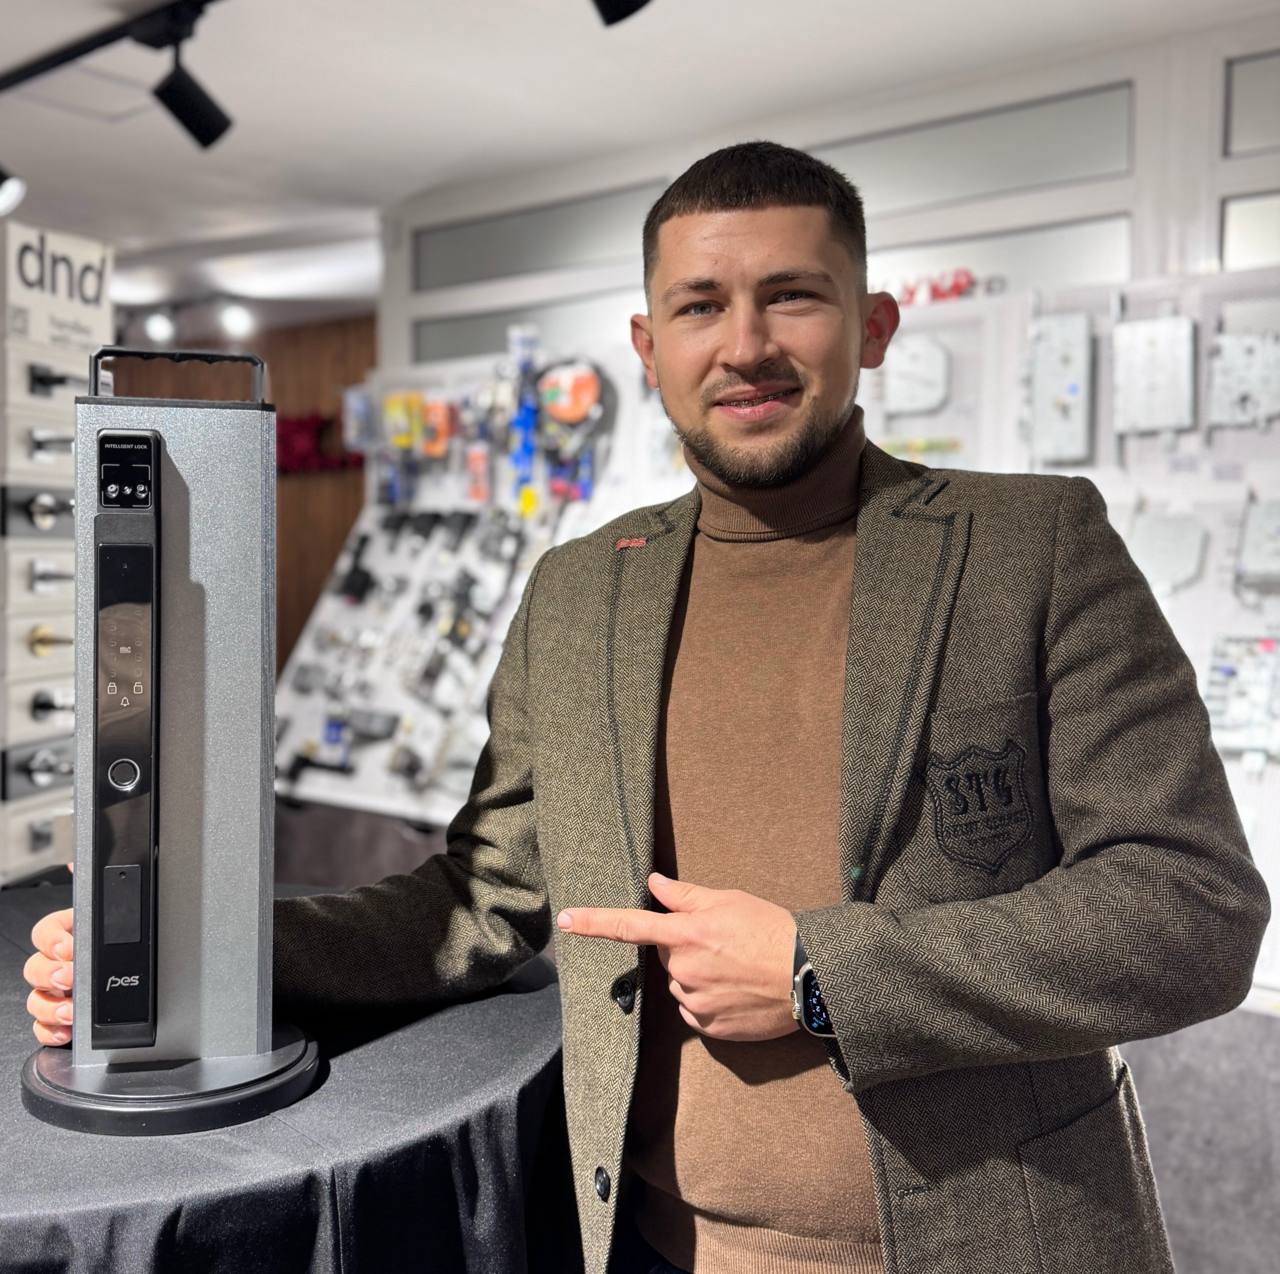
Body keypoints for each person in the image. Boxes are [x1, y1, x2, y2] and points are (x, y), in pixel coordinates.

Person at [25, 141, 1271, 1274]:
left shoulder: (1029, 546)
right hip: (644, 1244)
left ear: (873, 325)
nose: (744, 344)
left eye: (792, 295)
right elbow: (484, 896)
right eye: (699, 305)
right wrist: (203, 956)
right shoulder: (580, 590)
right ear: (645, 343)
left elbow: (1191, 904)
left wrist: (818, 971)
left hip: (992, 1242)